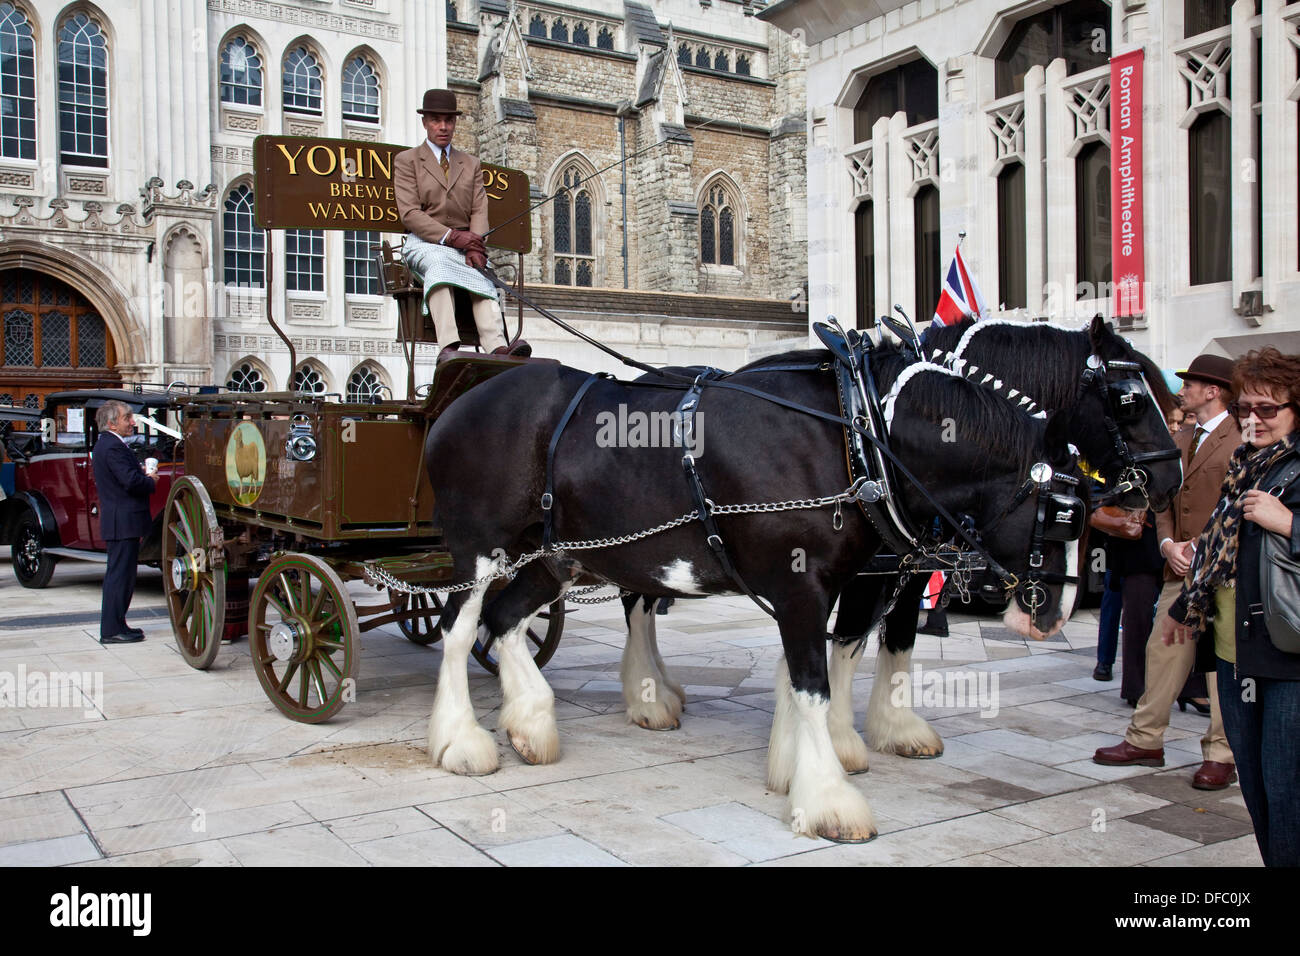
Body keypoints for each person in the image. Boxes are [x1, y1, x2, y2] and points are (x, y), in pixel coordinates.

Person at [1163, 347, 1300, 867]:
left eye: (1269, 408)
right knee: (1260, 790)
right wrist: (1186, 609)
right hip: (1236, 649)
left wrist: (1289, 524)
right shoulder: (1246, 465)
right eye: (1246, 407)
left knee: (1287, 789)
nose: (1254, 418)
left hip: (1289, 655)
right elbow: (1227, 548)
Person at [1094, 354, 1238, 788]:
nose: (1182, 391)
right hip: (1179, 568)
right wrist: (1168, 544)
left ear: (1213, 391)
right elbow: (1164, 501)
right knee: (1163, 650)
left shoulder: (1242, 438)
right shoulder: (1181, 436)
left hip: (1224, 569)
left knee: (1221, 665)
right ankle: (1145, 740)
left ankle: (1221, 754)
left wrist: (1200, 546)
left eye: (1190, 384)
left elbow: (1238, 501)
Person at [393, 88, 530, 363]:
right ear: (425, 123)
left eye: (448, 120)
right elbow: (410, 214)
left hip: (465, 244)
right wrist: (452, 237)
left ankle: (497, 346)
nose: (443, 127)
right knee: (440, 264)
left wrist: (475, 244)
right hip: (425, 242)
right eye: (435, 120)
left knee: (481, 271)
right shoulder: (407, 161)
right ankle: (449, 346)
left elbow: (479, 207)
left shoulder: (470, 163)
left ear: (455, 123)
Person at [92, 400, 156, 644]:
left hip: (122, 521)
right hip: (122, 521)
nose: (132, 421)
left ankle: (118, 624)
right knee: (119, 576)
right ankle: (111, 630)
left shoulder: (110, 445)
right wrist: (149, 480)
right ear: (111, 423)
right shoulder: (112, 447)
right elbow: (130, 482)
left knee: (122, 576)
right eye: (127, 417)